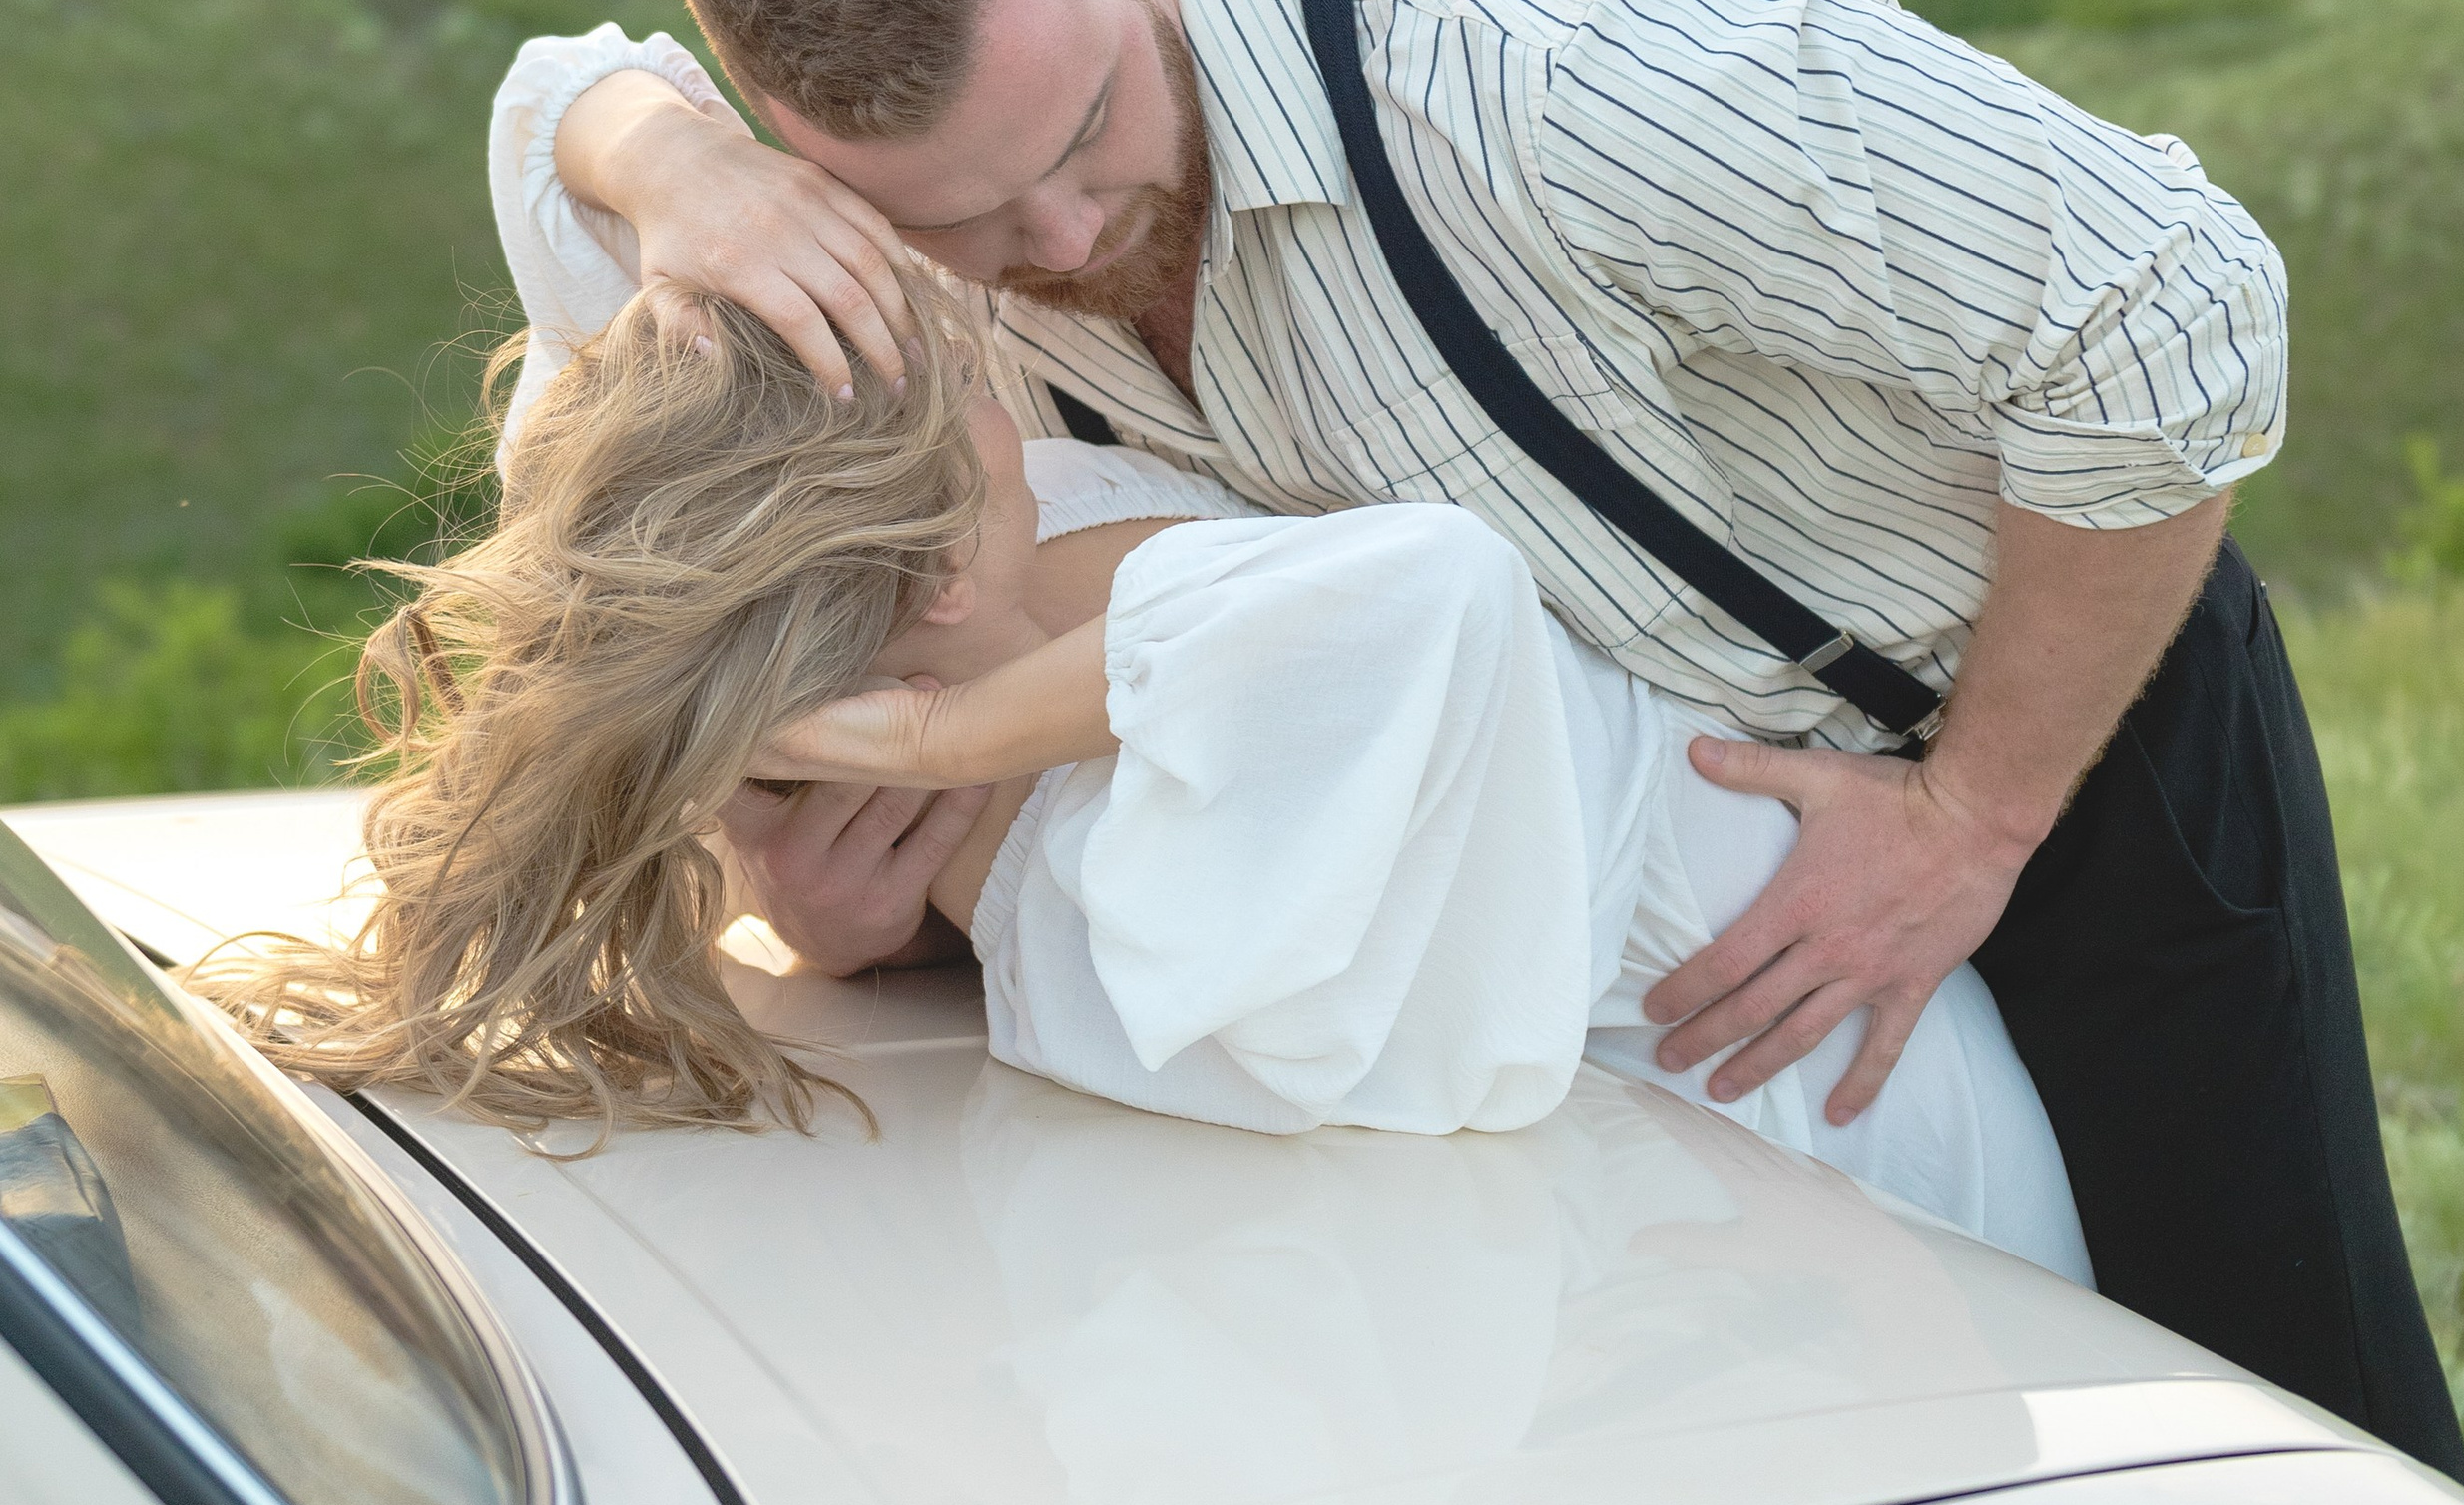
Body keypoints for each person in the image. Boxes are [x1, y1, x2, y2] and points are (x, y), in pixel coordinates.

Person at [486, 0, 2464, 1477]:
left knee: (2278, 1435)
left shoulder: (1542, 57)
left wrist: (1973, 817)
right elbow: (561, 98)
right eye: (961, 217)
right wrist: (654, 158)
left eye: (1087, 131)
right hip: (1646, 851)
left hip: (2038, 716)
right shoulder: (851, 209)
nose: (1063, 238)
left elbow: (2169, 295)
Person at [216, 290, 2089, 1291]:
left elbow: (565, 103)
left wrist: (671, 166)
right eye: (956, 382)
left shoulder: (1025, 563)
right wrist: (929, 754)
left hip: (1883, 1022)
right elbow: (1432, 586)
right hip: (1881, 1196)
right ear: (935, 583)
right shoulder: (1118, 884)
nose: (993, 353)